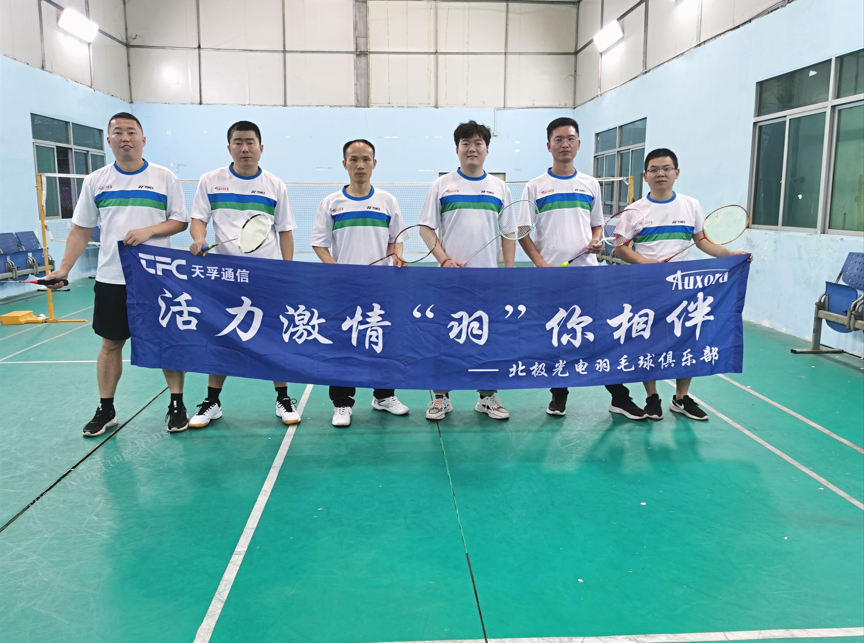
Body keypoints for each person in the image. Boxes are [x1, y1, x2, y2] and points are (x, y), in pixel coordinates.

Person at [46, 112, 190, 436]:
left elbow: (180, 220)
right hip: (112, 278)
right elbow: (81, 229)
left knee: (166, 343)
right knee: (111, 344)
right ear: (109, 141)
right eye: (118, 132)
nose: (125, 137)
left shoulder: (164, 177)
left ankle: (177, 404)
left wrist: (149, 231)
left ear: (143, 139)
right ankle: (106, 408)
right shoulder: (95, 181)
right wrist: (64, 268)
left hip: (156, 278)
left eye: (131, 132)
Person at [519, 117, 649, 420]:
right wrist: (541, 265)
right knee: (558, 337)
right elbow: (523, 231)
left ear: (578, 144)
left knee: (599, 336)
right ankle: (559, 395)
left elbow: (596, 225)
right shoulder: (535, 186)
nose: (565, 144)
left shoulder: (590, 184)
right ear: (549, 145)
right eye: (559, 139)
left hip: (588, 275)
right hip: (552, 277)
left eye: (570, 138)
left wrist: (596, 241)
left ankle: (619, 397)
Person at [614, 148, 752, 421]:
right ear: (645, 175)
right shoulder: (634, 211)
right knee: (649, 342)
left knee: (685, 341)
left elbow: (702, 242)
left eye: (666, 168)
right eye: (654, 169)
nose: (660, 174)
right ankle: (652, 397)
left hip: (682, 289)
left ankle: (681, 398)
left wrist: (730, 254)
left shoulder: (691, 205)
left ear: (676, 173)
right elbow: (620, 247)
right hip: (647, 287)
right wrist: (646, 263)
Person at [187, 121, 300, 428]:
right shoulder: (211, 181)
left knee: (273, 337)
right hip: (225, 276)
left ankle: (283, 397)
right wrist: (199, 238)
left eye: (250, 142)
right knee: (220, 335)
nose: (245, 148)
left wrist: (286, 270)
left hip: (266, 275)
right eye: (238, 142)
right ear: (229, 147)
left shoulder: (275, 185)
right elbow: (198, 219)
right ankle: (212, 401)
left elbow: (285, 231)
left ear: (261, 148)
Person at [310, 139, 411, 428]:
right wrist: (337, 271)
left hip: (382, 286)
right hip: (343, 289)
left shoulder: (387, 201)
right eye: (353, 159)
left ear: (374, 163)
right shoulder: (331, 203)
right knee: (343, 345)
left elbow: (396, 239)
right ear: (345, 164)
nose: (360, 165)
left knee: (382, 340)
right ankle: (342, 403)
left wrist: (397, 256)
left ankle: (384, 396)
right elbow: (319, 244)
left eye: (366, 159)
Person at [418, 120, 513, 422]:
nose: (472, 148)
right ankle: (440, 398)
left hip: (488, 281)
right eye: (466, 143)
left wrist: (508, 272)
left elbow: (509, 233)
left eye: (478, 143)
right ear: (457, 149)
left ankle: (487, 397)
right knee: (445, 338)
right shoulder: (442, 185)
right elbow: (426, 229)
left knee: (486, 339)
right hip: (450, 280)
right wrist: (444, 260)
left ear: (487, 149)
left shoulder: (499, 188)